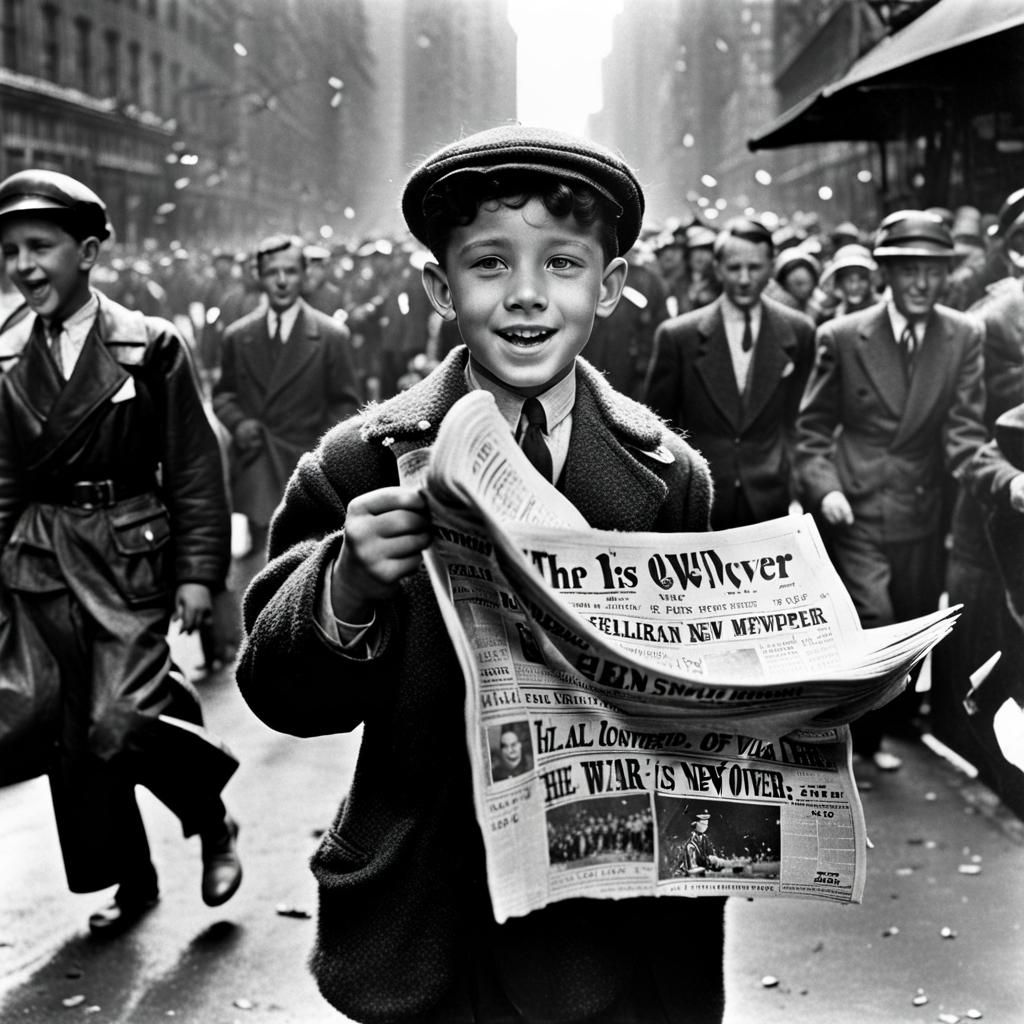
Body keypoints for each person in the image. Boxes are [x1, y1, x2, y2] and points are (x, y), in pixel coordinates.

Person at [234, 124, 723, 1024]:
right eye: (490, 264)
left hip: (607, 926)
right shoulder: (359, 463)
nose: (527, 297)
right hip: (429, 915)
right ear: (438, 284)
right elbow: (279, 692)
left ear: (609, 286)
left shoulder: (670, 476)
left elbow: (696, 711)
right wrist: (344, 589)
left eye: (563, 265)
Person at [0, 169, 241, 935]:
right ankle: (130, 878)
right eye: (9, 251)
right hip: (38, 560)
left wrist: (200, 574)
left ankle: (209, 819)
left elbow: (196, 468)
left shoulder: (150, 344)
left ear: (90, 251)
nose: (23, 266)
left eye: (41, 247)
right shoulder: (3, 355)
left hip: (128, 557)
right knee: (62, 733)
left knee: (122, 722)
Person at [794, 209, 987, 772]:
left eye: (933, 270)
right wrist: (826, 488)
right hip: (856, 506)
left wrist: (992, 480)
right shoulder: (843, 336)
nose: (922, 283)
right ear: (886, 273)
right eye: (908, 270)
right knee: (874, 618)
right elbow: (810, 432)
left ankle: (889, 727)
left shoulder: (962, 336)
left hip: (923, 509)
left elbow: (964, 432)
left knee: (914, 621)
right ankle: (861, 741)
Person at [643, 216, 816, 530]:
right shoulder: (679, 336)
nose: (745, 279)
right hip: (700, 501)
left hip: (772, 499)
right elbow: (658, 431)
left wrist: (792, 477)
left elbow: (802, 420)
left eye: (756, 268)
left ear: (772, 267)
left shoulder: (799, 331)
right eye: (735, 268)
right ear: (718, 268)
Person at [212, 234, 360, 567]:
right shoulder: (238, 336)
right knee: (261, 566)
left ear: (304, 275)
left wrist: (322, 456)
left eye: (290, 272)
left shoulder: (330, 337)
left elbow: (345, 405)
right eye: (272, 272)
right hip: (257, 463)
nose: (281, 281)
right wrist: (238, 423)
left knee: (303, 566)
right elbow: (223, 394)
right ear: (258, 276)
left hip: (304, 467)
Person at [679, 812, 723, 877]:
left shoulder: (705, 839)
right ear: (695, 824)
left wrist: (715, 861)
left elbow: (711, 855)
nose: (705, 827)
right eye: (703, 824)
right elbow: (692, 868)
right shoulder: (690, 844)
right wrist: (709, 861)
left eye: (706, 824)